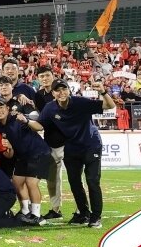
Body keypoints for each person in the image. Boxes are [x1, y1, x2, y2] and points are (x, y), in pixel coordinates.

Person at [36, 78, 116, 229]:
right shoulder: (49, 108)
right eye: (57, 90)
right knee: (74, 182)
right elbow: (40, 125)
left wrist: (103, 91)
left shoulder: (80, 102)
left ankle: (96, 216)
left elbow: (110, 105)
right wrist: (25, 122)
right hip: (71, 147)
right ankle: (84, 213)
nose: (61, 93)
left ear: (69, 90)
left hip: (91, 144)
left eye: (64, 89)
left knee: (92, 180)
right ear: (53, 93)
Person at [0, 98, 52, 225]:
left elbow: (39, 127)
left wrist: (27, 120)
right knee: (17, 182)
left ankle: (36, 215)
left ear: (7, 108)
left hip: (38, 152)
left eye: (1, 107)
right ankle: (25, 211)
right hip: (22, 156)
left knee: (31, 182)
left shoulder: (17, 118)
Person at [33, 67, 67, 220]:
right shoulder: (39, 96)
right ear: (38, 78)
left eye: (47, 75)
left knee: (76, 178)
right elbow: (41, 118)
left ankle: (82, 210)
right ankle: (55, 209)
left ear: (53, 76)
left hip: (70, 140)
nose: (45, 78)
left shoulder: (64, 92)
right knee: (52, 178)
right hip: (52, 141)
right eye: (42, 76)